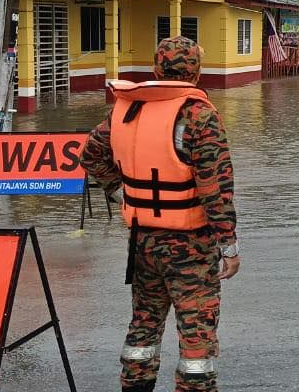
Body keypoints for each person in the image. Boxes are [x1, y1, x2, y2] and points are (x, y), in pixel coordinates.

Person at [81, 36, 240, 392]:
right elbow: (215, 189)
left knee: (144, 323)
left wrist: (120, 190)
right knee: (196, 333)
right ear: (196, 72)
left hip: (142, 242)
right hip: (190, 246)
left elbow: (90, 155)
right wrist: (229, 246)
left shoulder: (126, 109)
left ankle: (134, 384)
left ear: (156, 68)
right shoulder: (199, 115)